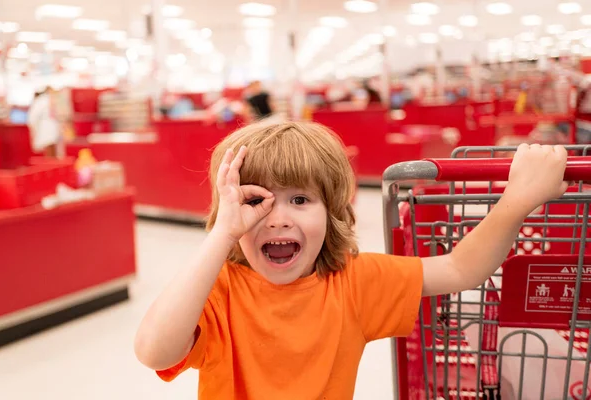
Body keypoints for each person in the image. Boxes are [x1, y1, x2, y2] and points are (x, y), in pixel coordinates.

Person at [134, 120, 569, 399]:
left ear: (332, 212)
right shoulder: (219, 289)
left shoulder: (353, 281)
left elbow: (459, 269)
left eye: (300, 199)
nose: (277, 219)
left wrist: (519, 200)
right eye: (255, 201)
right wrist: (221, 234)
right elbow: (155, 351)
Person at [27, 87, 63, 158]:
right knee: (50, 149)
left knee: (51, 149)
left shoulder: (42, 100)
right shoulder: (43, 100)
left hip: (48, 128)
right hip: (47, 128)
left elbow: (31, 118)